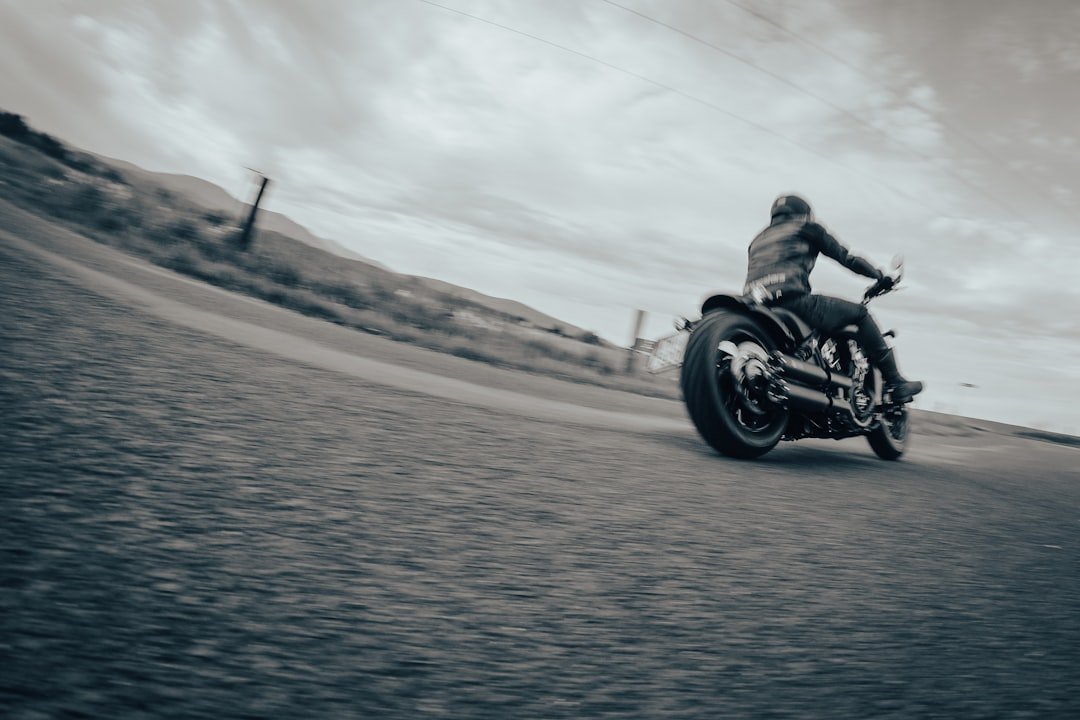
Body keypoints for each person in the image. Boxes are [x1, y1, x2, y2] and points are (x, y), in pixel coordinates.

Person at [742, 193, 923, 402]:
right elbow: (846, 257)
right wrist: (879, 276)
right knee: (861, 314)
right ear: (805, 215)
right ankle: (896, 382)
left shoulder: (757, 240)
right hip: (795, 302)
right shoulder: (807, 228)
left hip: (759, 306)